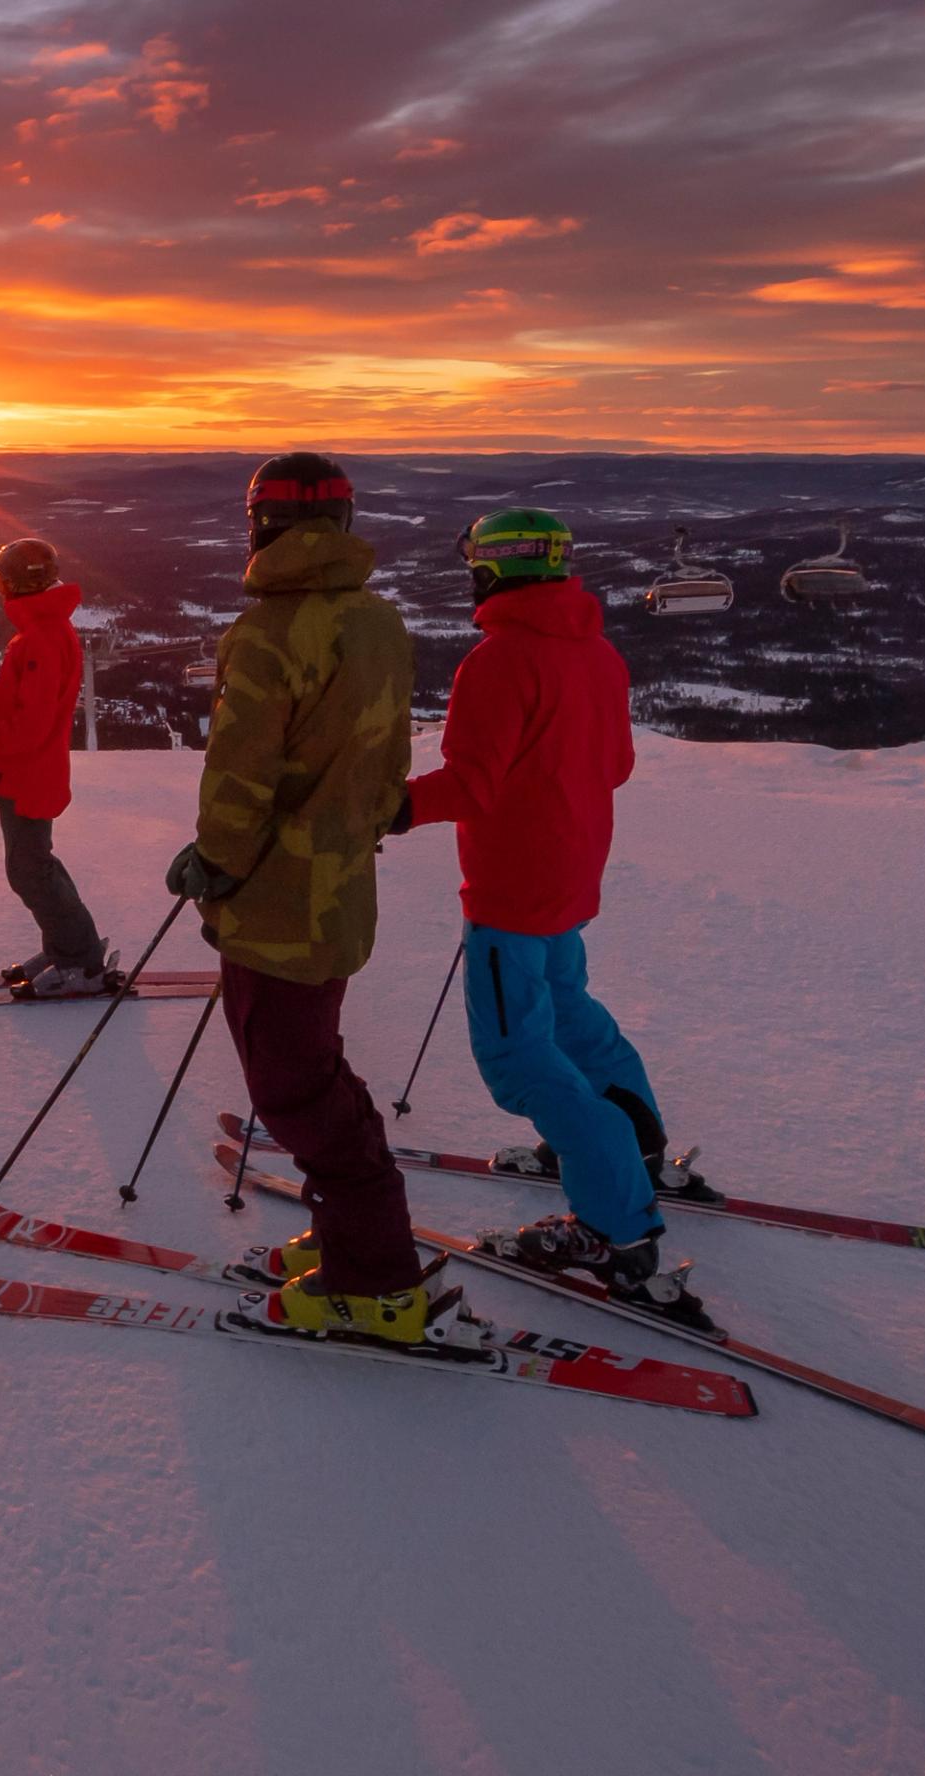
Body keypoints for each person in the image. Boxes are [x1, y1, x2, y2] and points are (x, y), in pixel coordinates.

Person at [165, 452, 479, 1354]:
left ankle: (375, 1281)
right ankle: (352, 1240)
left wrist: (214, 862)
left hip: (274, 905)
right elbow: (384, 772)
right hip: (342, 892)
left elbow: (239, 776)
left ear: (259, 524)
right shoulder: (378, 622)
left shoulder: (267, 633)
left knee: (293, 1088)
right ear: (342, 524)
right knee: (316, 1068)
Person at [388, 509, 703, 1324]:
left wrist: (388, 808)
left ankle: (613, 1227)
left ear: (490, 570)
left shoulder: (498, 661)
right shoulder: (595, 651)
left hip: (512, 889)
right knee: (568, 1014)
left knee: (519, 1058)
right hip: (571, 873)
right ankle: (634, 1149)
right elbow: (618, 766)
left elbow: (470, 785)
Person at [0, 536, 115, 999]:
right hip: (29, 771)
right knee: (35, 865)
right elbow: (27, 717)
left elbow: (29, 727)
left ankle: (81, 959)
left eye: (2, 580)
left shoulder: (40, 638)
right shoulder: (45, 629)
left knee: (30, 870)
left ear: (12, 584)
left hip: (30, 774)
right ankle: (67, 949)